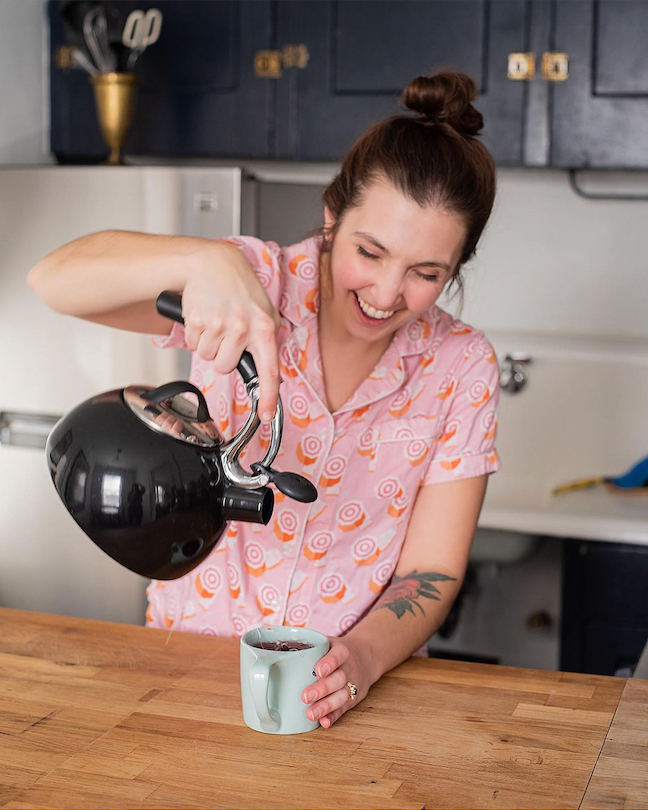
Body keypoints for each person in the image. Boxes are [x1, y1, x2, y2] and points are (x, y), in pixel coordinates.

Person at [28, 72, 500, 730]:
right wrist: (205, 262)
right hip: (187, 665)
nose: (389, 293)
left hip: (346, 696)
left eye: (427, 274)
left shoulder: (461, 366)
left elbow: (431, 571)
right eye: (370, 251)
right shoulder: (255, 284)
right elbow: (53, 279)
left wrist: (360, 660)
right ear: (333, 214)